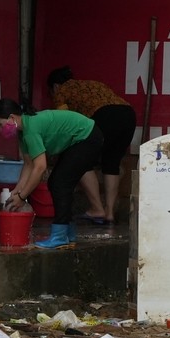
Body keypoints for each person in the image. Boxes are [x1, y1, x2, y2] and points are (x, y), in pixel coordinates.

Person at [0, 98, 104, 249]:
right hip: (80, 139)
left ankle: (59, 235)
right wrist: (17, 190)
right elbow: (29, 164)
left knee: (60, 183)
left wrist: (22, 196)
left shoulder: (31, 128)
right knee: (58, 182)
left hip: (87, 137)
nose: (0, 130)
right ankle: (68, 233)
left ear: (12, 118)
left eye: (0, 125)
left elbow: (40, 167)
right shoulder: (23, 132)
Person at [47, 66, 137, 225]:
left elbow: (63, 119)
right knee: (112, 162)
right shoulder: (92, 84)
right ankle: (109, 213)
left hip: (104, 116)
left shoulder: (61, 91)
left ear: (55, 86)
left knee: (80, 159)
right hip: (128, 115)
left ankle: (97, 208)